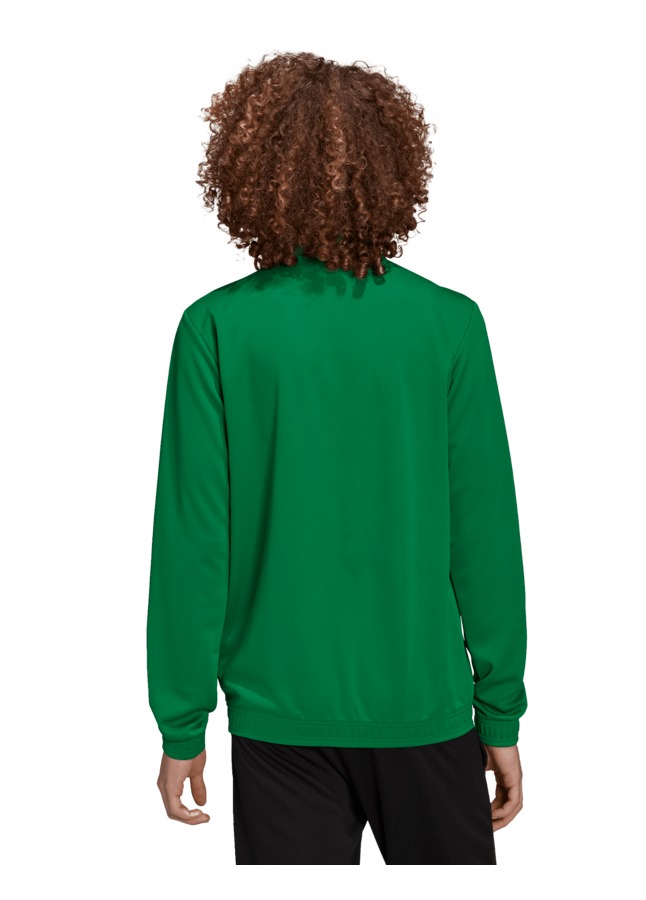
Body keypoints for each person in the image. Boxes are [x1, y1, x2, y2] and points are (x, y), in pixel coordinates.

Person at [146, 50, 527, 865]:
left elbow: (193, 546)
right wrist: (499, 713)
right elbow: (485, 539)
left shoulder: (217, 328)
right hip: (424, 709)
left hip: (277, 718)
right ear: (393, 171)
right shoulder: (448, 324)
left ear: (250, 172)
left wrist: (182, 725)